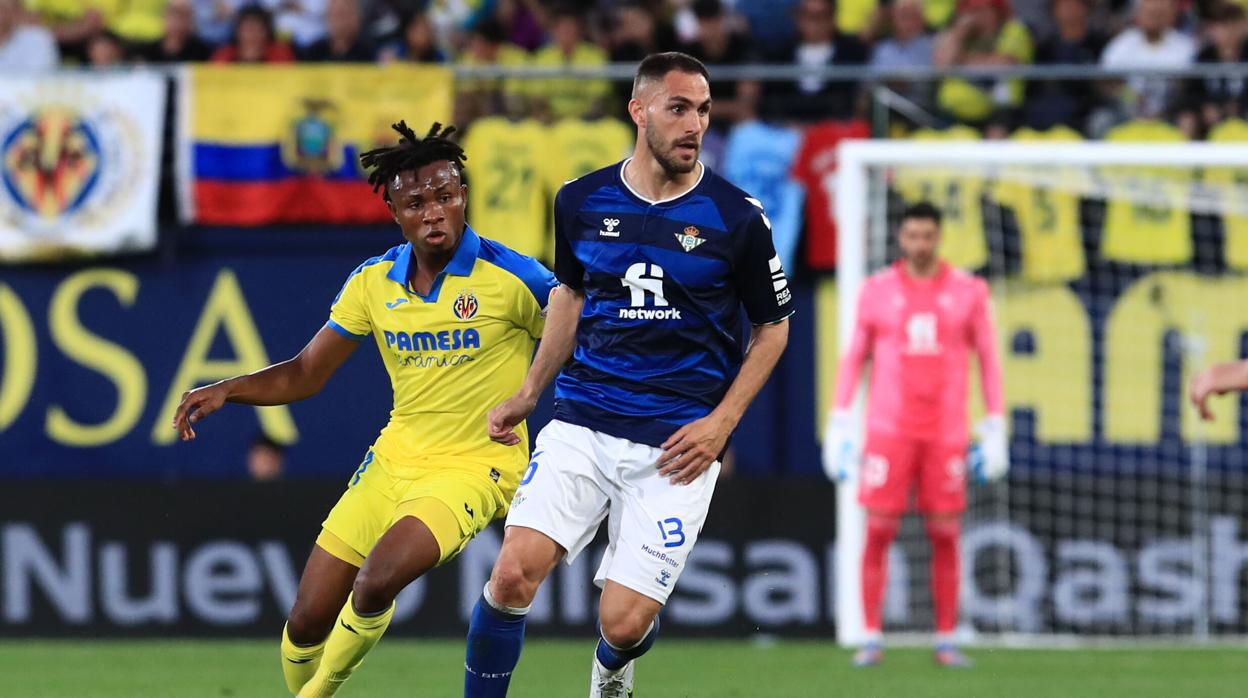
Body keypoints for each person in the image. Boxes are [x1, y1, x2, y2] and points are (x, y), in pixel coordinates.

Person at [172, 122, 556, 698]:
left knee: (376, 580)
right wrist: (230, 388)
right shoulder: (374, 283)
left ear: (464, 198)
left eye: (446, 197)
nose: (434, 213)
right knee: (305, 620)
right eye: (416, 203)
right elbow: (306, 372)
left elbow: (575, 331)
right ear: (395, 213)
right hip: (393, 459)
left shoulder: (514, 276)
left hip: (475, 467)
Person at [463, 51, 793, 698]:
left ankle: (613, 666)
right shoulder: (581, 200)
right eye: (678, 108)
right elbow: (570, 295)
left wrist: (721, 425)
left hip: (677, 443)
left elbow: (773, 327)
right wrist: (529, 393)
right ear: (638, 111)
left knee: (621, 621)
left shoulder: (738, 218)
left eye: (702, 110)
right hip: (583, 419)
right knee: (510, 577)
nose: (694, 124)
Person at [822, 201, 1007, 668]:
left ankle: (946, 638)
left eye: (927, 236)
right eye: (912, 237)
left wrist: (996, 424)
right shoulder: (877, 291)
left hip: (945, 432)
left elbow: (988, 359)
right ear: (900, 239)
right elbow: (854, 358)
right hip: (889, 430)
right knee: (879, 529)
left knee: (945, 533)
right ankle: (870, 636)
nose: (920, 245)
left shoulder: (969, 290)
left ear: (938, 237)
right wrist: (840, 420)